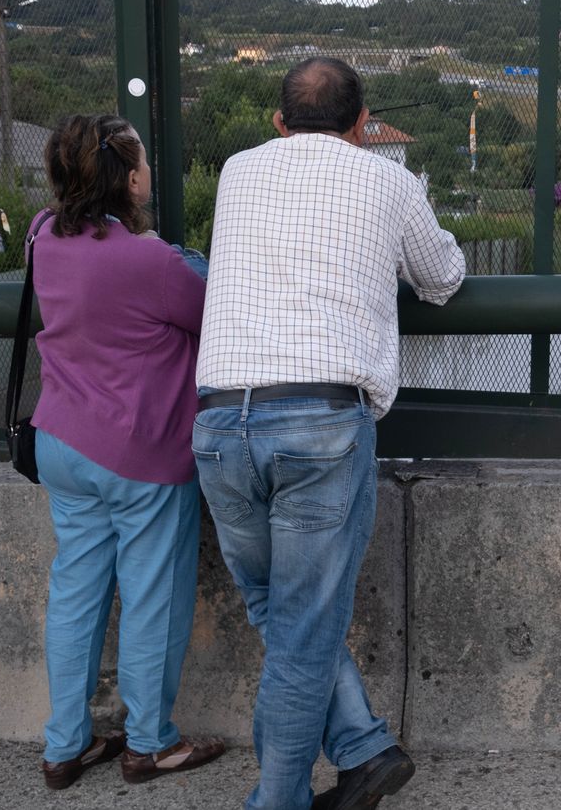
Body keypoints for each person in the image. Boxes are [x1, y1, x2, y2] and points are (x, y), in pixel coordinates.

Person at [194, 58, 465, 810]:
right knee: (304, 629)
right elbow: (443, 278)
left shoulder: (236, 171)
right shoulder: (388, 181)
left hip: (220, 423)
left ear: (278, 122)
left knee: (280, 612)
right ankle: (279, 800)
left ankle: (363, 749)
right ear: (363, 124)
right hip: (319, 423)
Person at [31, 114, 225, 790]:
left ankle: (65, 747)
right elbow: (211, 306)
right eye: (141, 159)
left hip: (61, 442)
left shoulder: (42, 236)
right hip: (139, 453)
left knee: (75, 592)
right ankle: (149, 744)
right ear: (129, 178)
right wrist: (177, 253)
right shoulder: (150, 261)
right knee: (151, 597)